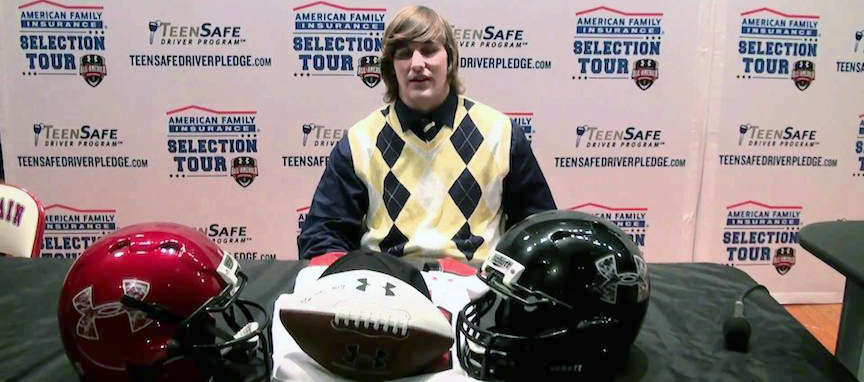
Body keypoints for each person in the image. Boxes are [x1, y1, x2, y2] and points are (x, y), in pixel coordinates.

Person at [298, 5, 555, 262]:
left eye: (429, 50)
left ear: (450, 60)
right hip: (389, 288)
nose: (417, 64)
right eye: (405, 54)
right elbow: (321, 236)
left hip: (481, 290)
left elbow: (539, 231)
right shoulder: (360, 141)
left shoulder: (502, 133)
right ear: (391, 67)